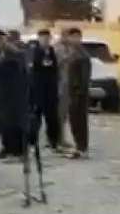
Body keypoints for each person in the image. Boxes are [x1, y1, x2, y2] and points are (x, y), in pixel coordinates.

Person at [0, 31, 30, 158]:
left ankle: (13, 150)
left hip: (10, 97)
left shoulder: (9, 61)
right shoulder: (17, 59)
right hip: (13, 96)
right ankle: (13, 149)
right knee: (11, 123)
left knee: (10, 124)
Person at [62, 28, 92, 158]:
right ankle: (79, 146)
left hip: (78, 93)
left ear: (80, 38)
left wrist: (80, 93)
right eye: (71, 37)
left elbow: (85, 77)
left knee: (80, 121)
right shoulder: (72, 53)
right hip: (72, 92)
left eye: (76, 37)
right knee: (74, 121)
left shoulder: (82, 55)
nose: (73, 40)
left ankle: (82, 148)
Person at [30, 29, 62, 149]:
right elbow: (35, 66)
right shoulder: (34, 51)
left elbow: (54, 67)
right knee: (35, 116)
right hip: (38, 88)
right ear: (39, 39)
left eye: (47, 39)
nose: (45, 41)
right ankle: (33, 141)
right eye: (43, 38)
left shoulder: (52, 51)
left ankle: (53, 141)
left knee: (52, 117)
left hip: (51, 89)